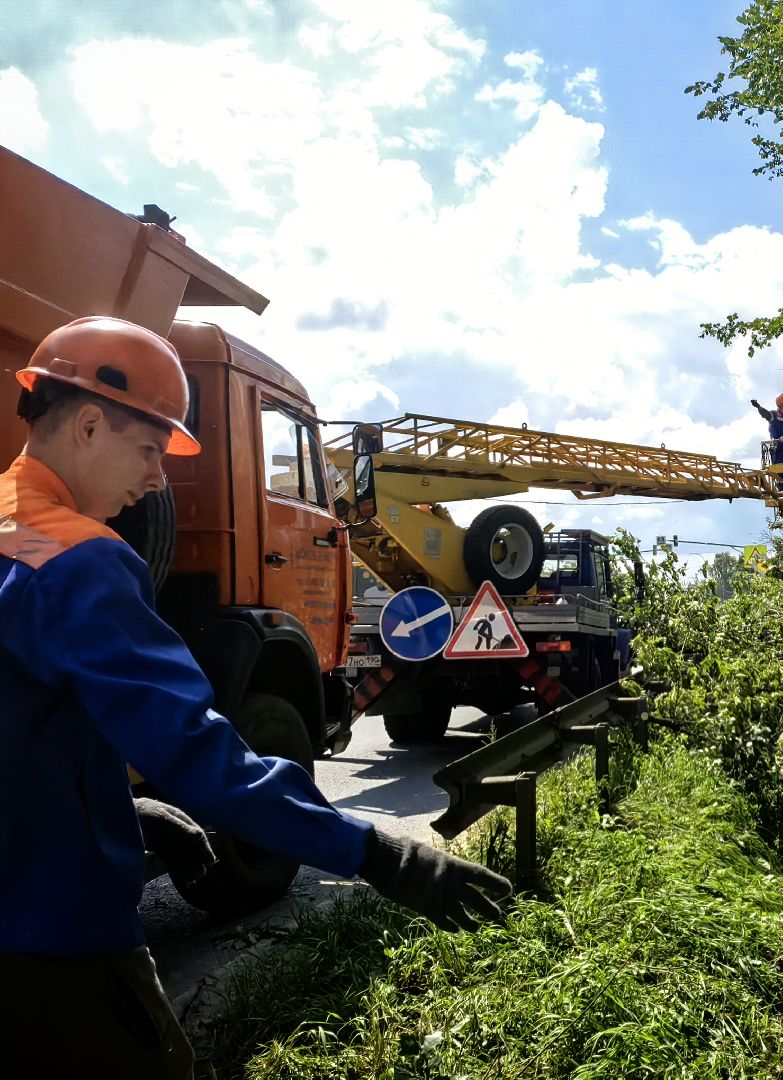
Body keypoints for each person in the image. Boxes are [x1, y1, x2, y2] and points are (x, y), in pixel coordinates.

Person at [0, 316, 512, 1079]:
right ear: (88, 423)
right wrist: (379, 854)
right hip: (52, 939)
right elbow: (206, 757)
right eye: (149, 450)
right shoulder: (80, 561)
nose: (155, 481)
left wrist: (116, 806)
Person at [750, 392, 783, 491]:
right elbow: (765, 414)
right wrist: (758, 407)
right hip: (779, 449)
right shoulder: (774, 415)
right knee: (781, 471)